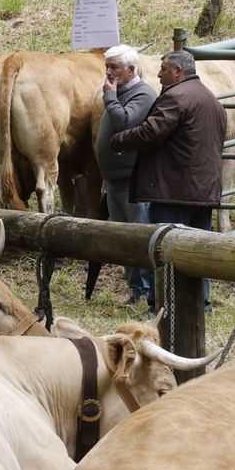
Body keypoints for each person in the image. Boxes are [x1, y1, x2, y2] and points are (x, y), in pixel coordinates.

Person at [109, 50, 227, 311]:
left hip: (175, 189)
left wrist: (119, 141)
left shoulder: (176, 97)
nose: (158, 74)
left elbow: (152, 131)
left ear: (177, 72)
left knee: (163, 247)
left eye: (163, 69)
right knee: (198, 249)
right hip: (203, 190)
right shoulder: (210, 100)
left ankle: (161, 304)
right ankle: (200, 303)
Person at [96, 44, 157, 307]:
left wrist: (109, 98)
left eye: (114, 67)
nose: (108, 72)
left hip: (133, 180)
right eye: (107, 66)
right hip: (114, 179)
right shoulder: (119, 92)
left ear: (131, 69)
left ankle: (144, 290)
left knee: (137, 235)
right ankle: (135, 289)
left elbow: (125, 123)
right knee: (123, 237)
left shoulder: (142, 94)